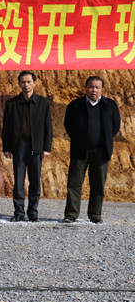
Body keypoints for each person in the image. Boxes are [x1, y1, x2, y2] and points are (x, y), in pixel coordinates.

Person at [63, 76, 121, 224]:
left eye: (97, 87)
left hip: (101, 152)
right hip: (79, 151)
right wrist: (79, 138)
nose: (94, 90)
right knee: (74, 184)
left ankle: (95, 215)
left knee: (98, 184)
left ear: (102, 89)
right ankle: (71, 214)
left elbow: (115, 126)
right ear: (86, 88)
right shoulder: (75, 105)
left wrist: (104, 140)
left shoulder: (110, 105)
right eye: (91, 87)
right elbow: (68, 125)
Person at [2, 71, 53, 222]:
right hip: (18, 146)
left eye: (29, 82)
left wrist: (46, 147)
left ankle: (33, 212)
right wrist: (6, 147)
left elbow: (48, 127)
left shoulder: (43, 103)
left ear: (34, 83)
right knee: (19, 181)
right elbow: (6, 127)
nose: (26, 85)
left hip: (36, 146)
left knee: (35, 181)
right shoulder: (12, 103)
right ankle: (19, 212)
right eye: (23, 82)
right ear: (19, 84)